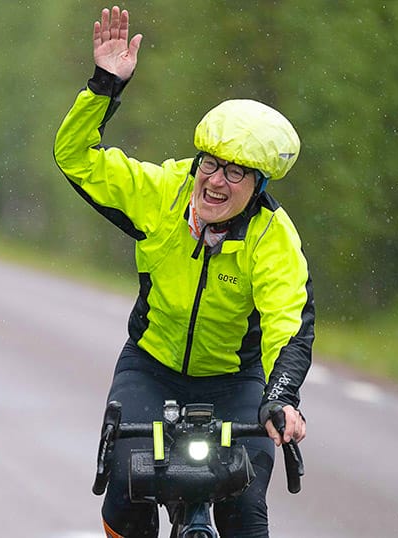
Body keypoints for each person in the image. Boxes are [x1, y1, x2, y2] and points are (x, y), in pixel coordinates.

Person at [53, 6, 312, 537]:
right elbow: (75, 156)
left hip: (235, 382)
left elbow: (289, 320)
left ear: (259, 185)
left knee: (245, 509)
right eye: (210, 163)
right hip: (150, 368)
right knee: (129, 490)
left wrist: (281, 395)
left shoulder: (272, 235)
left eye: (236, 172)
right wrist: (105, 86)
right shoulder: (163, 193)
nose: (215, 181)